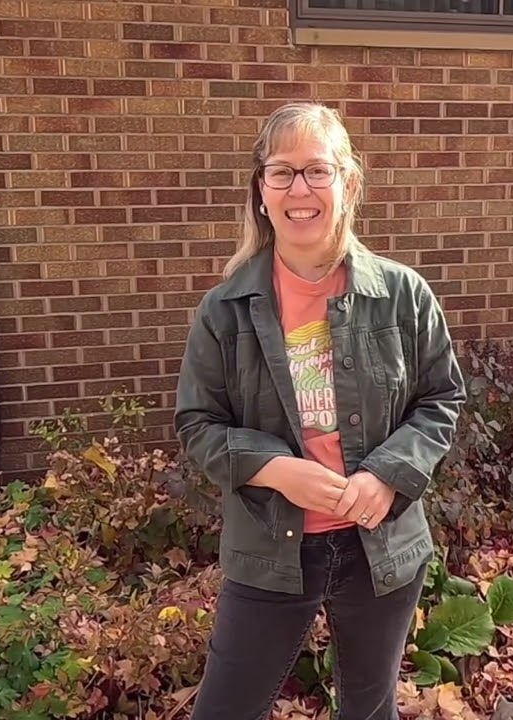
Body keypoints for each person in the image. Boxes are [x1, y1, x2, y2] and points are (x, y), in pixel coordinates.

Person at [174, 102, 467, 719]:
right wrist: (276, 469)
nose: (299, 189)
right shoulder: (224, 310)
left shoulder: (402, 295)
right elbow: (197, 424)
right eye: (281, 172)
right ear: (261, 189)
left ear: (349, 182)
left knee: (368, 708)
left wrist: (386, 474)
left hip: (380, 547)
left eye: (317, 170)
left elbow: (441, 399)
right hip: (270, 549)